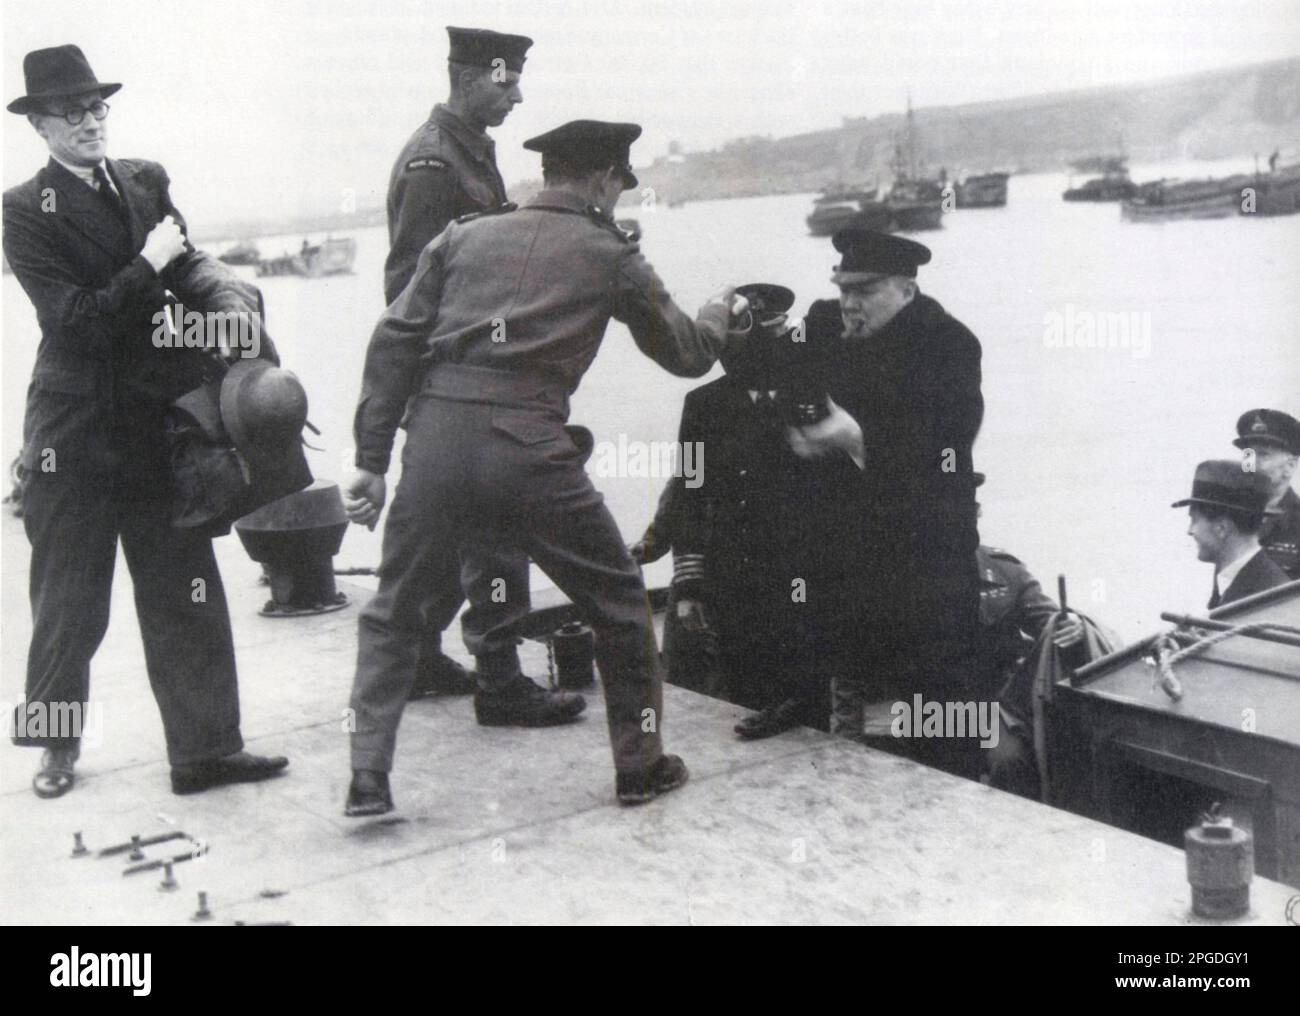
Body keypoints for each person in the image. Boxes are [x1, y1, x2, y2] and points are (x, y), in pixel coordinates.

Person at [344, 119, 734, 816]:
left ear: (547, 173)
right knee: (617, 600)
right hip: (527, 448)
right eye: (618, 187)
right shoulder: (609, 252)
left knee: (394, 611)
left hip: (435, 441)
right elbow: (686, 354)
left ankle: (367, 777)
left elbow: (394, 337)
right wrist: (717, 317)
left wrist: (371, 459)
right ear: (601, 181)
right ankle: (640, 766)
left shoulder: (463, 235)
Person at [3, 45, 288, 798]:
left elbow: (189, 264)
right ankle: (55, 748)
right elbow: (76, 323)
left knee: (185, 587)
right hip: (74, 432)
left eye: (98, 107)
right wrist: (150, 263)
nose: (90, 121)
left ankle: (206, 750)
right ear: (39, 124)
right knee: (69, 600)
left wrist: (227, 296)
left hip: (158, 426)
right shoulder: (23, 211)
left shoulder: (144, 178)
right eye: (71, 111)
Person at [792, 227, 985, 779]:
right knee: (857, 703)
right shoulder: (829, 327)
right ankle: (866, 793)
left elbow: (949, 449)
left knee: (944, 705)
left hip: (928, 556)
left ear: (905, 288)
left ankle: (960, 798)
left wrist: (857, 440)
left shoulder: (949, 344)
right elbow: (785, 376)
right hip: (850, 557)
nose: (849, 303)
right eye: (843, 289)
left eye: (865, 292)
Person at [381, 26, 536, 700]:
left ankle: (416, 660)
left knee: (443, 526)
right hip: (461, 375)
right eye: (510, 81)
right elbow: (412, 287)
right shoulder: (435, 163)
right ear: (474, 76)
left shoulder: (467, 151)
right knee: (497, 524)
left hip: (469, 369)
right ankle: (501, 680)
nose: (519, 95)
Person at [665, 284, 839, 737]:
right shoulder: (703, 406)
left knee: (811, 702)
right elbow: (689, 491)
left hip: (807, 573)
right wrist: (689, 585)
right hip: (735, 576)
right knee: (745, 688)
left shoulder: (817, 397)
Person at [1174, 459, 1289, 609]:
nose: (1190, 531)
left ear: (1222, 528)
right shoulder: (1241, 582)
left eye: (1194, 520)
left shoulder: (1270, 598)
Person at [1232, 408, 1300, 580]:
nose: (1251, 464)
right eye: (1248, 454)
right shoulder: (1232, 515)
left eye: (1263, 455)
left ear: (1290, 466)